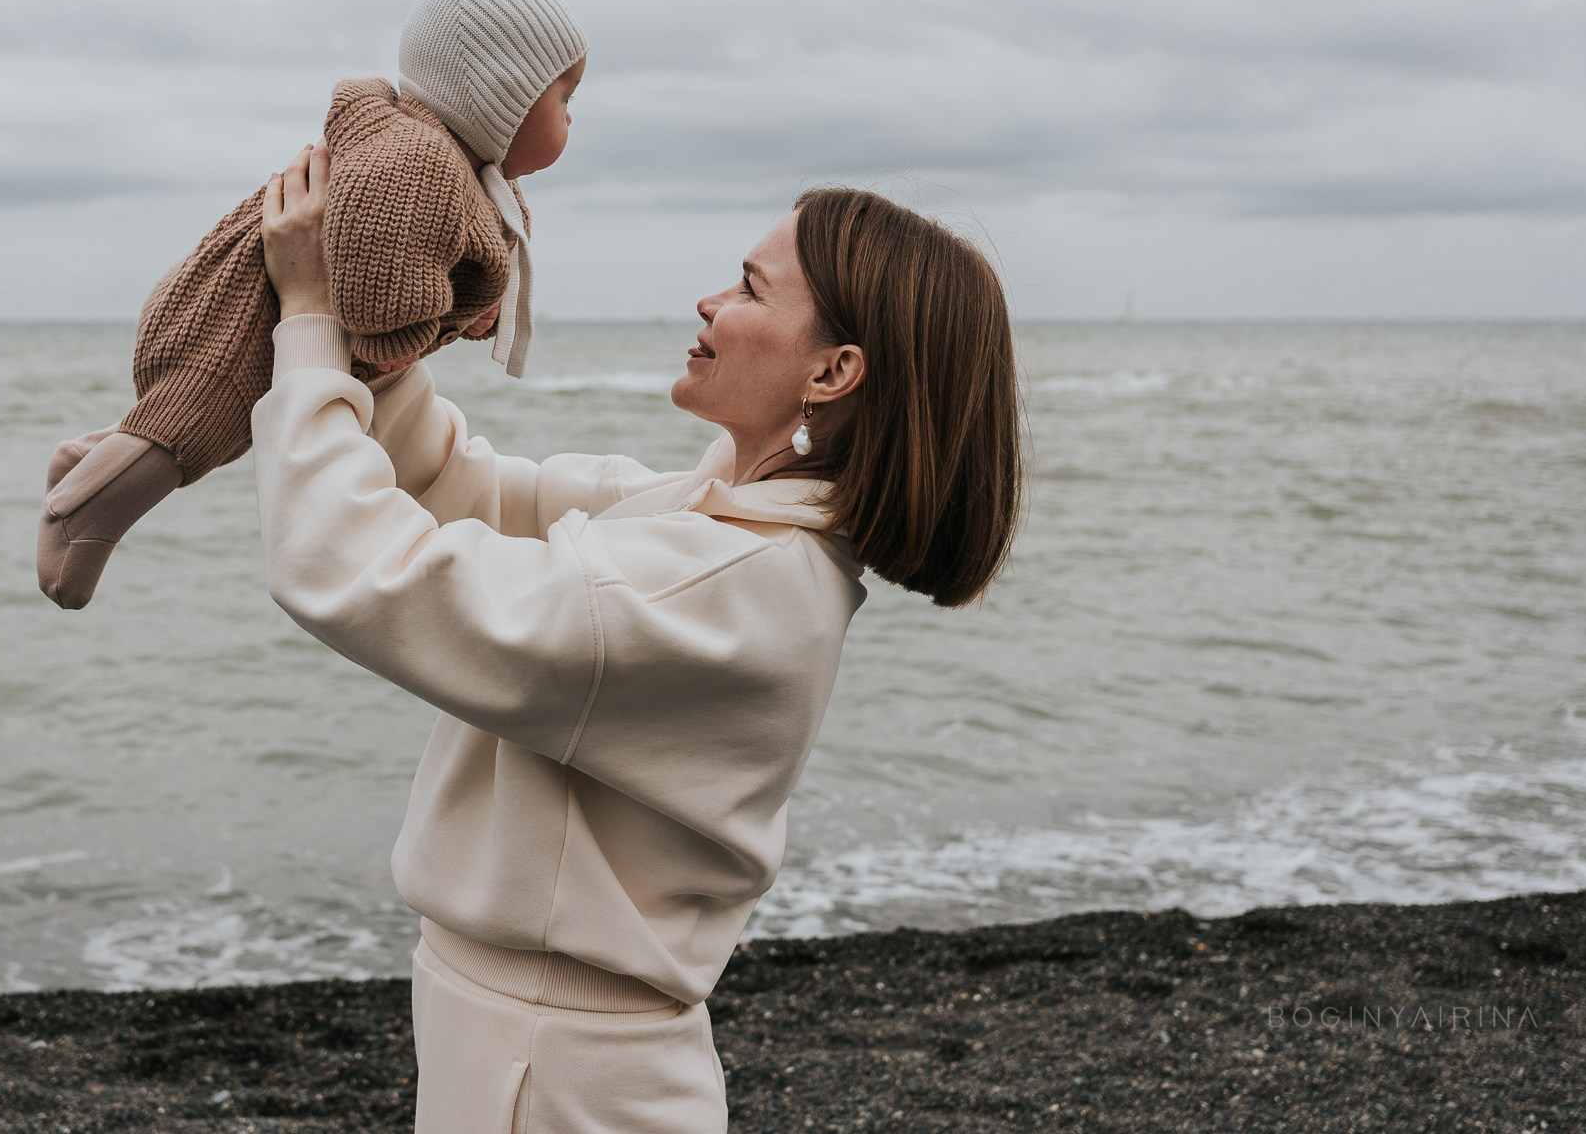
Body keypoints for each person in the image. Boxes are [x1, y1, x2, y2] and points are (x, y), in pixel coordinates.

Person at [255, 142, 1024, 1132]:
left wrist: (310, 325)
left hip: (554, 1071)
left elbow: (354, 568)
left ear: (833, 370)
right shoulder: (713, 518)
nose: (708, 301)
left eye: (749, 286)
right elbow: (459, 489)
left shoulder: (724, 578)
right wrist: (400, 326)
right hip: (536, 1045)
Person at [37, 0, 586, 609]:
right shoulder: (418, 163)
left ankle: (89, 462)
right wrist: (401, 341)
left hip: (283, 315)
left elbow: (471, 258)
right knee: (197, 426)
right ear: (499, 93)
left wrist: (474, 313)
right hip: (235, 315)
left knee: (231, 434)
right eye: (564, 99)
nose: (573, 118)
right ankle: (81, 521)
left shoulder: (473, 180)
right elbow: (378, 286)